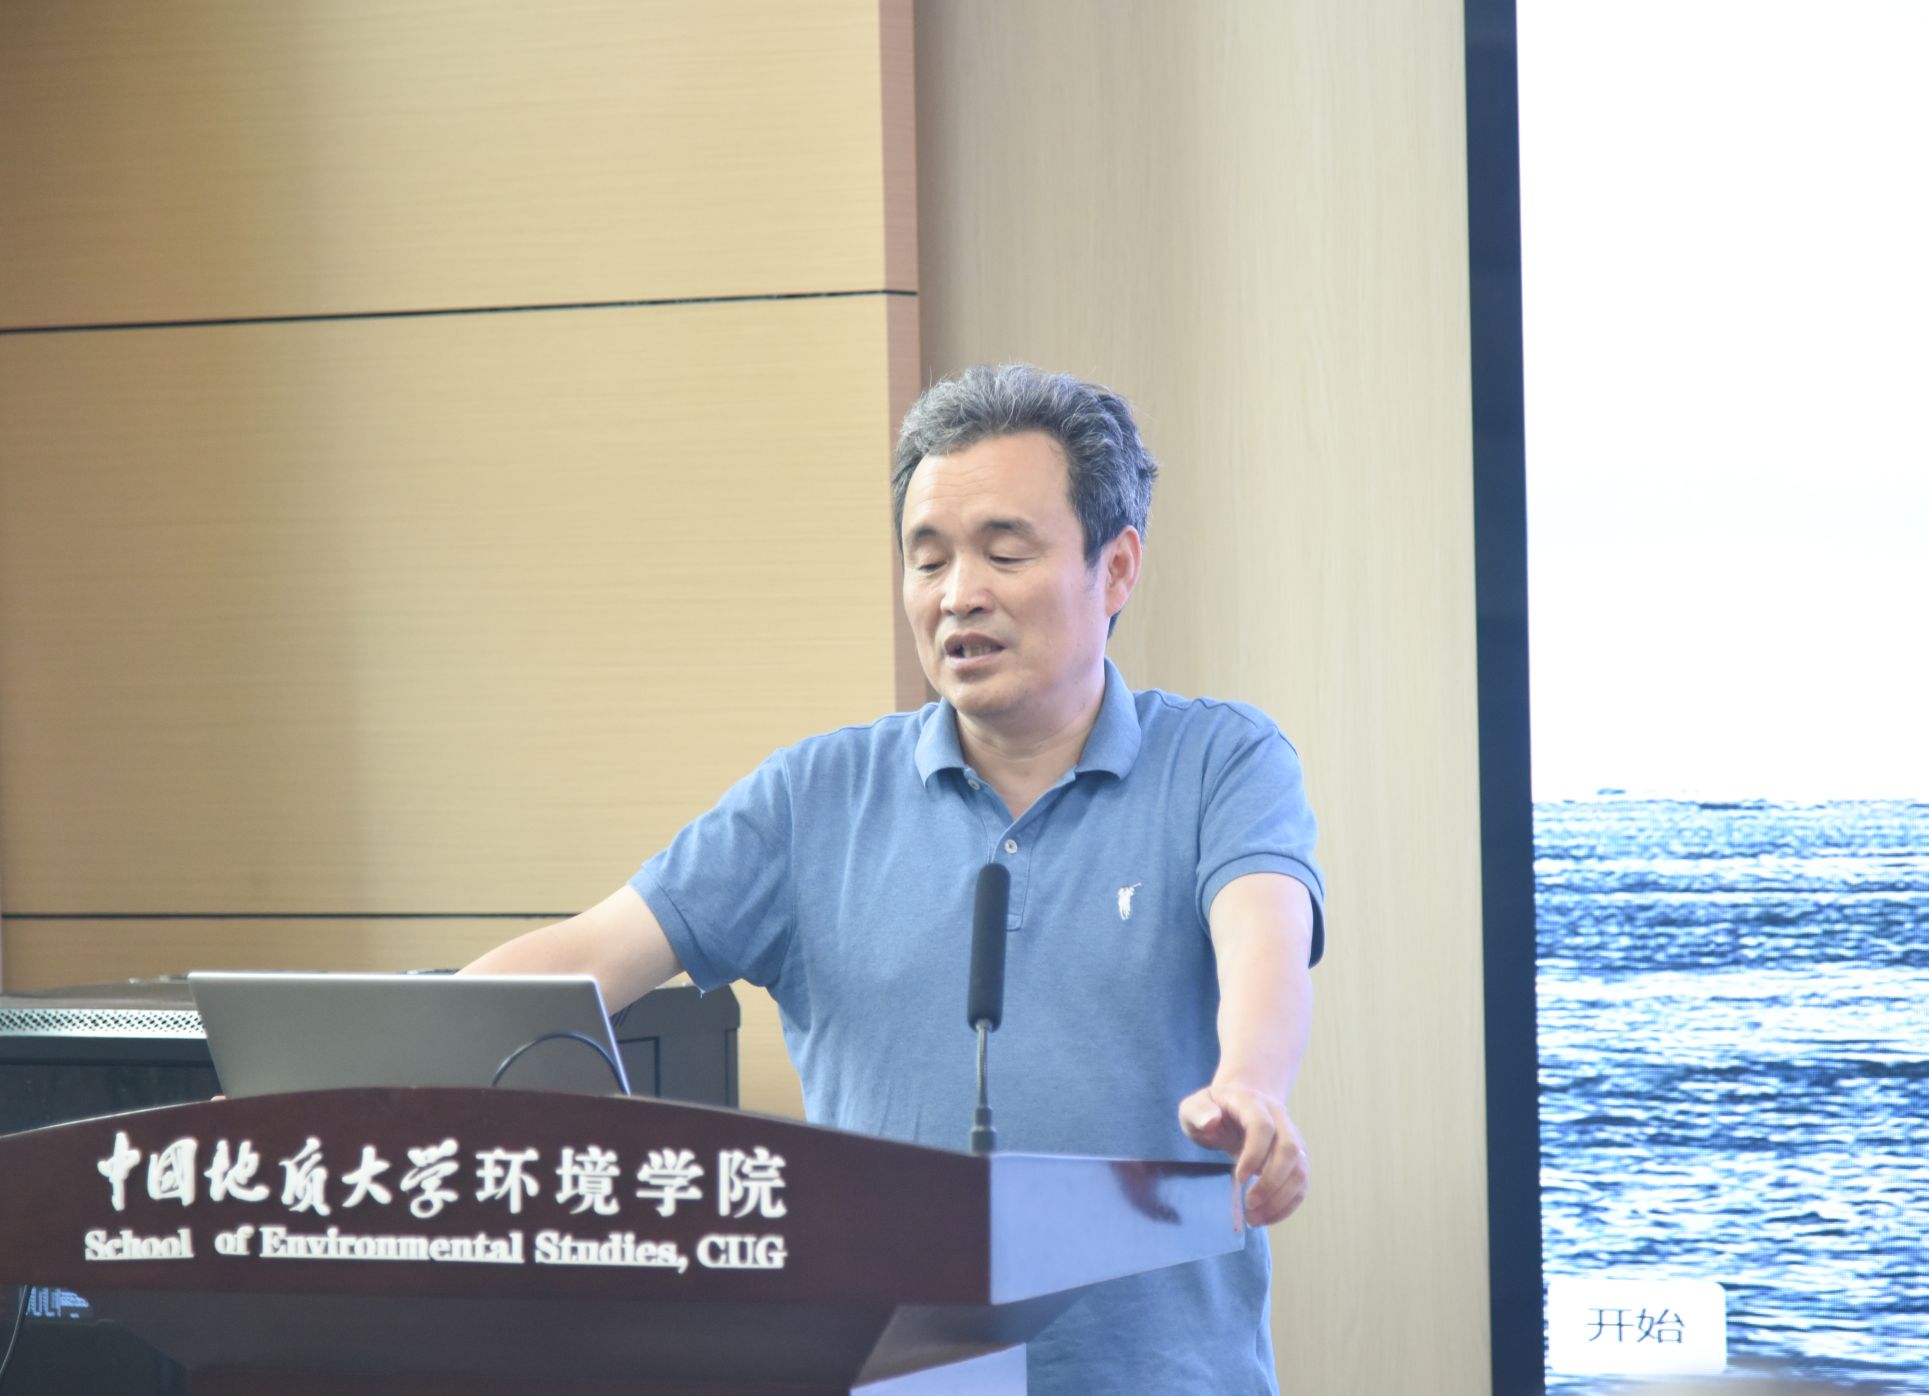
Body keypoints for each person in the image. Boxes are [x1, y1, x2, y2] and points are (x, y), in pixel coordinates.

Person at [464, 363, 1324, 1394]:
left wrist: (1250, 1088)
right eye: (928, 559)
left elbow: (1264, 940)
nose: (959, 593)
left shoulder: (1220, 761)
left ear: (1116, 568)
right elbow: (589, 955)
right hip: (892, 1374)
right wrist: (385, 1049)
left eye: (1004, 552)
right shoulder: (815, 795)